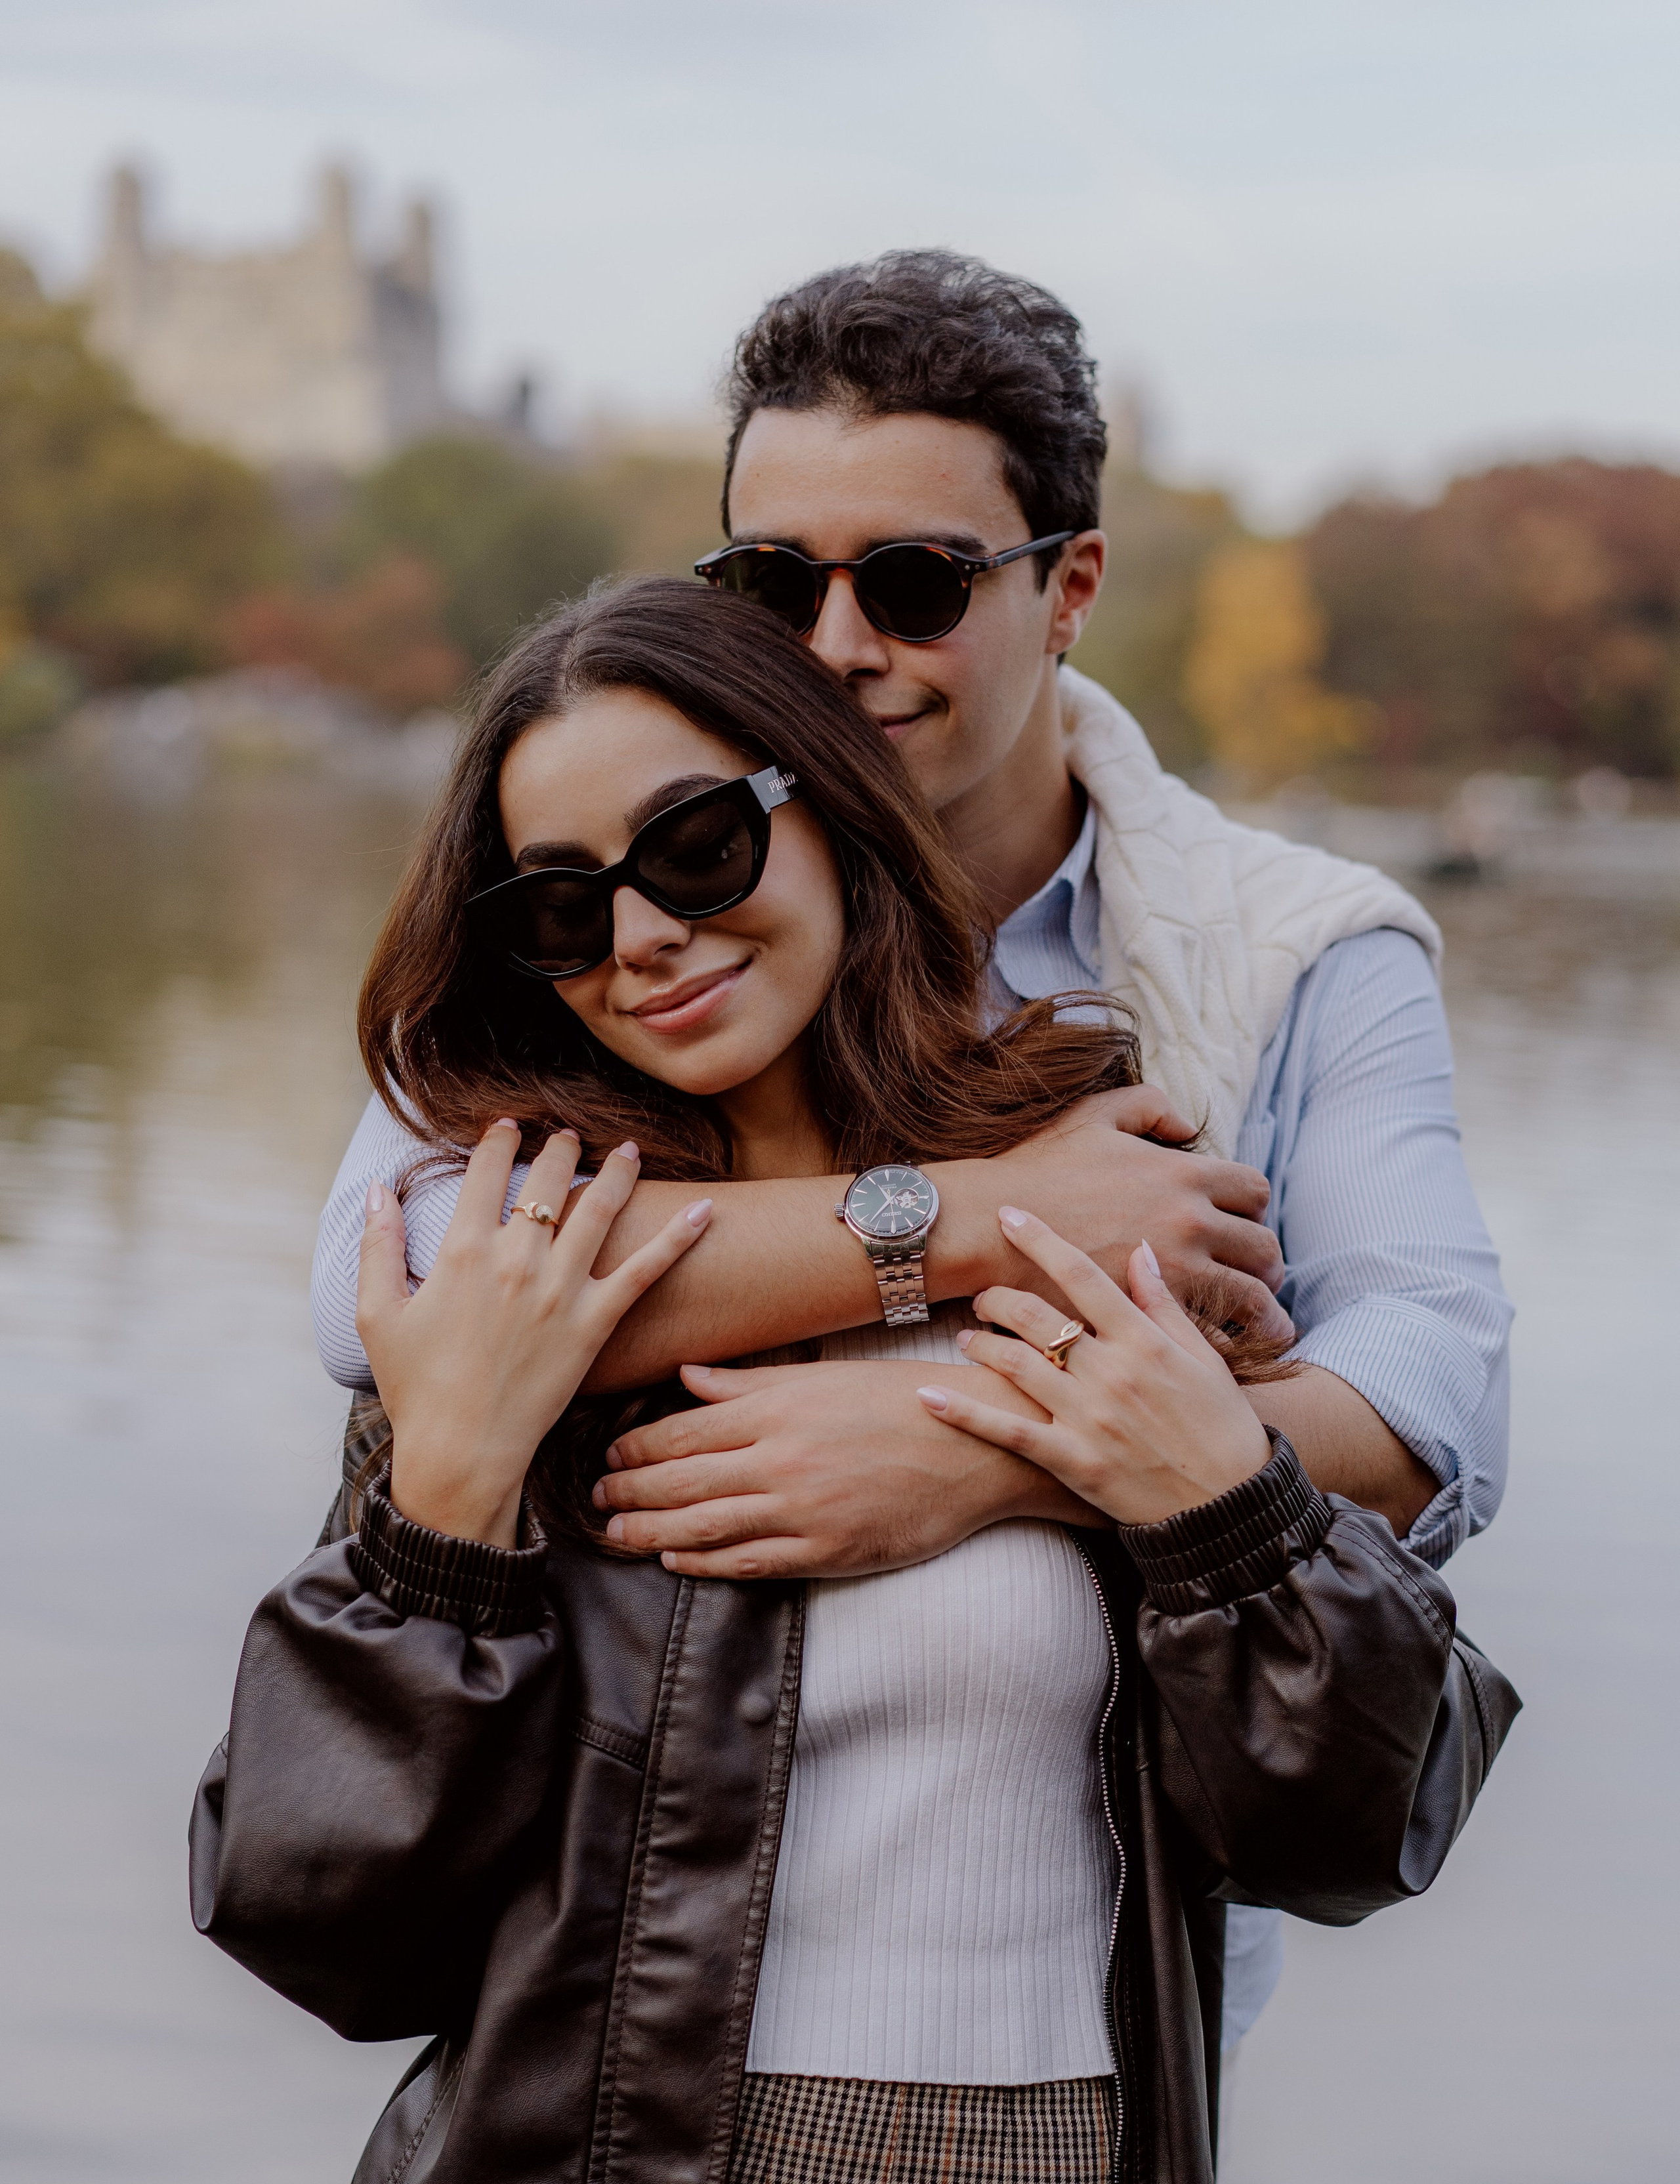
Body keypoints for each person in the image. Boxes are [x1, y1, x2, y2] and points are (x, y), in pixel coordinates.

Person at [193, 579, 1517, 2184]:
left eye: (695, 844)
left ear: (823, 801)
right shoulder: (513, 1288)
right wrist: (448, 1522)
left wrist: (1202, 1495)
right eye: (560, 905)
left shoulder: (1105, 1193)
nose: (643, 936)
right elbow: (324, 1925)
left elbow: (1359, 1818)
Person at [310, 252, 1513, 2061]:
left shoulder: (1296, 949)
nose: (836, 645)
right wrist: (981, 1223)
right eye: (773, 581)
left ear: (1073, 587)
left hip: (1080, 2040)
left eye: (919, 581)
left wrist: (982, 1454)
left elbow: (1433, 1406)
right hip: (620, 2017)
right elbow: (384, 1288)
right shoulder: (644, 890)